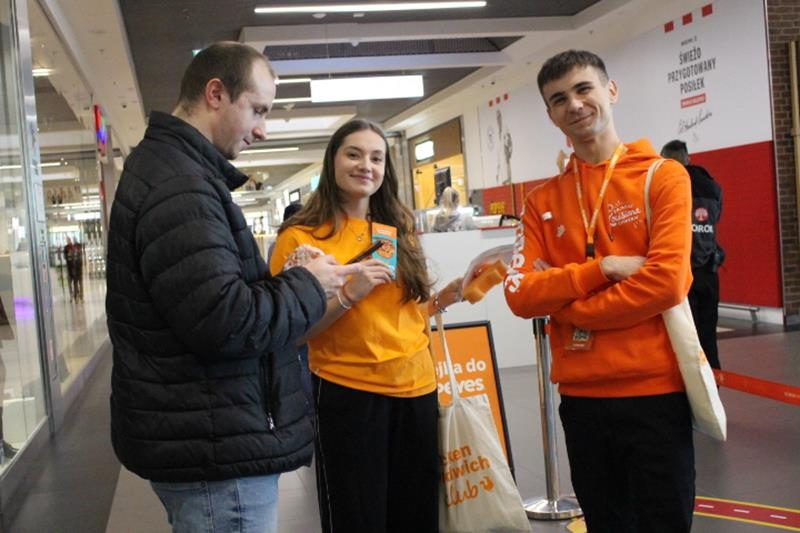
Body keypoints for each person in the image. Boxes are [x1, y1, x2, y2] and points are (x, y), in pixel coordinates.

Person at [105, 41, 360, 533]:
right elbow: (227, 321)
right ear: (216, 94)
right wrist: (309, 284)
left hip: (207, 437)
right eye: (258, 110)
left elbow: (207, 299)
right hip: (216, 451)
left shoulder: (175, 172)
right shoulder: (181, 185)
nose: (263, 129)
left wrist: (285, 280)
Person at [504, 50, 695, 532]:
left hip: (655, 393)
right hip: (582, 400)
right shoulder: (540, 201)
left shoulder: (662, 177)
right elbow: (520, 295)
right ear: (551, 115)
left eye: (583, 88)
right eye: (558, 99)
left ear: (611, 91)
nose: (574, 104)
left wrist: (568, 308)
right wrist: (603, 268)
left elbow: (667, 282)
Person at [269, 119, 463, 533]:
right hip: (350, 391)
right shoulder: (301, 238)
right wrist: (348, 294)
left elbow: (405, 312)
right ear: (332, 161)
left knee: (417, 518)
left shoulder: (394, 228)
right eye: (354, 154)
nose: (366, 166)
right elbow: (291, 332)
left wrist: (445, 298)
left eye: (377, 158)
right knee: (358, 517)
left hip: (417, 388)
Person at [661, 139, 724, 369]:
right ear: (688, 158)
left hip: (681, 273)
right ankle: (713, 380)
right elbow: (716, 218)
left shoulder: (669, 185)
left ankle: (690, 384)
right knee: (708, 334)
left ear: (666, 162)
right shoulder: (713, 187)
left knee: (686, 337)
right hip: (709, 271)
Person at [63, 236, 83, 302]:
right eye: (67, 240)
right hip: (69, 268)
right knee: (70, 283)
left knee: (76, 282)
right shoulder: (66, 248)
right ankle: (72, 295)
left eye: (69, 240)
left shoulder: (74, 247)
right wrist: (68, 255)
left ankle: (77, 295)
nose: (68, 241)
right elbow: (65, 256)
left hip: (75, 267)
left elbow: (79, 256)